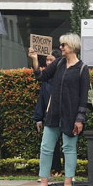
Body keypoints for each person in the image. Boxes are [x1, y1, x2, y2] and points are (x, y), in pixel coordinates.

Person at [28, 34, 89, 186]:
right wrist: (35, 59)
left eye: (64, 45)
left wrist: (80, 119)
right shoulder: (59, 63)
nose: (61, 47)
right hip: (53, 113)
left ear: (73, 46)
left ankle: (68, 185)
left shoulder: (83, 68)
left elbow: (84, 97)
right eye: (61, 44)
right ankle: (43, 184)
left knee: (69, 149)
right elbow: (41, 76)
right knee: (46, 148)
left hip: (71, 116)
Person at [33, 48, 63, 176]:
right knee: (51, 144)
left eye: (52, 60)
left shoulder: (64, 75)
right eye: (47, 60)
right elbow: (42, 98)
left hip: (64, 114)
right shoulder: (46, 78)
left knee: (67, 144)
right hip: (50, 115)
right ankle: (55, 169)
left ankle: (68, 173)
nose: (49, 62)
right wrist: (39, 118)